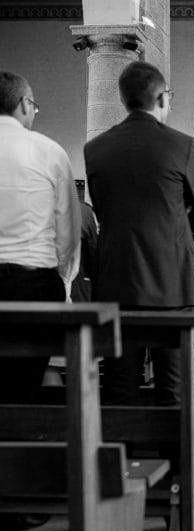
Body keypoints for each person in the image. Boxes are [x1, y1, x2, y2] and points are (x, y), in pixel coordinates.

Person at [85, 61, 194, 405]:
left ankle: (120, 456)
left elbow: (103, 210)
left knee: (118, 386)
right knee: (173, 388)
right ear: (160, 98)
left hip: (114, 282)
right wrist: (172, 219)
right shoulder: (183, 146)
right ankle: (174, 457)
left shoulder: (95, 149)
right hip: (170, 286)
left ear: (125, 100)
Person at [0, 71, 80, 401]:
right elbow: (68, 232)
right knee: (24, 385)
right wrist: (63, 279)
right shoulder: (49, 151)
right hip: (32, 285)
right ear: (23, 104)